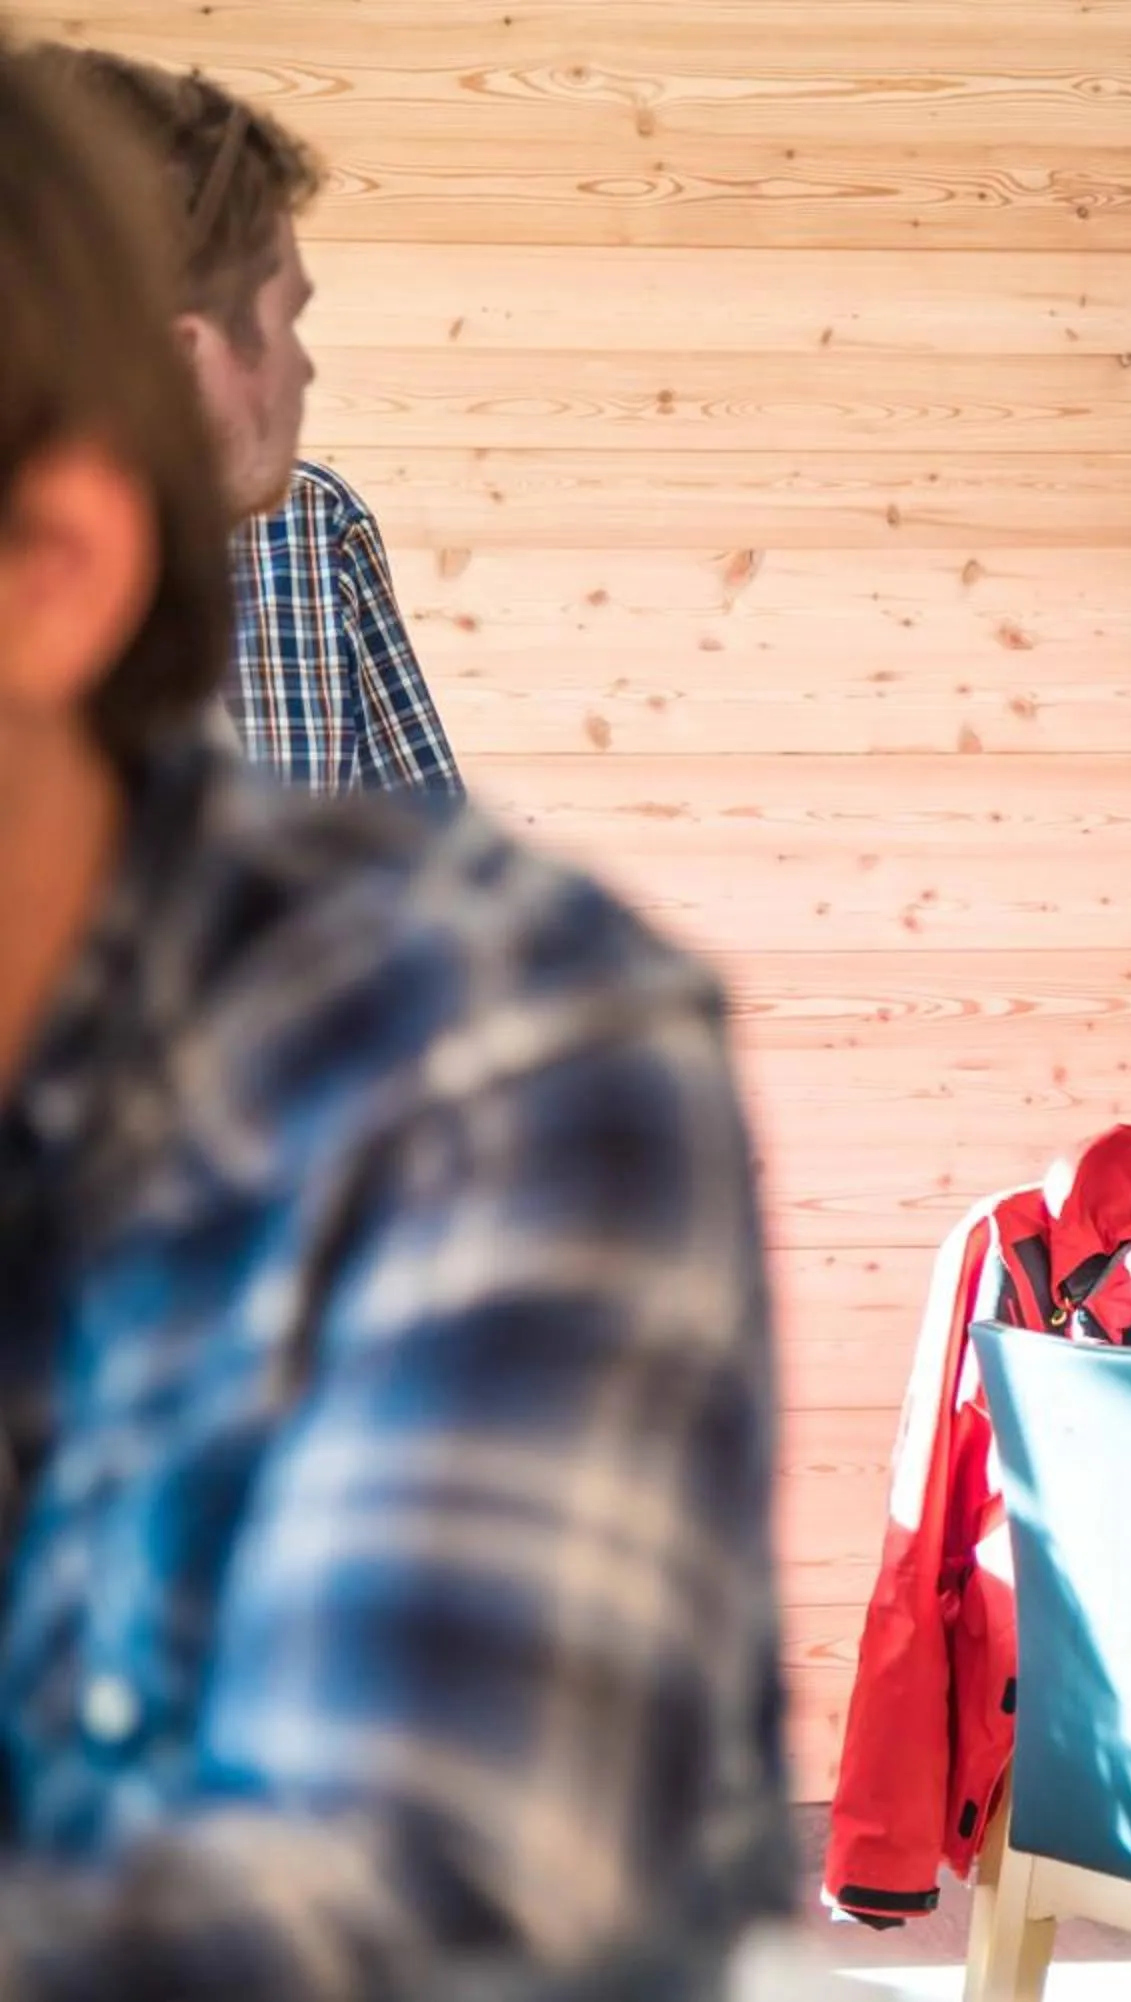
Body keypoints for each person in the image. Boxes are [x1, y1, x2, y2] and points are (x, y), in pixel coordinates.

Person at [0, 41, 788, 2000]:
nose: (300, 373)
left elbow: (444, 1909)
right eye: (288, 322)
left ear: (58, 571)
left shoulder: (496, 1047)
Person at [51, 51, 462, 800]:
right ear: (187, 357)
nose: (303, 368)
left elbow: (434, 868)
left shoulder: (314, 526)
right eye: (289, 320)